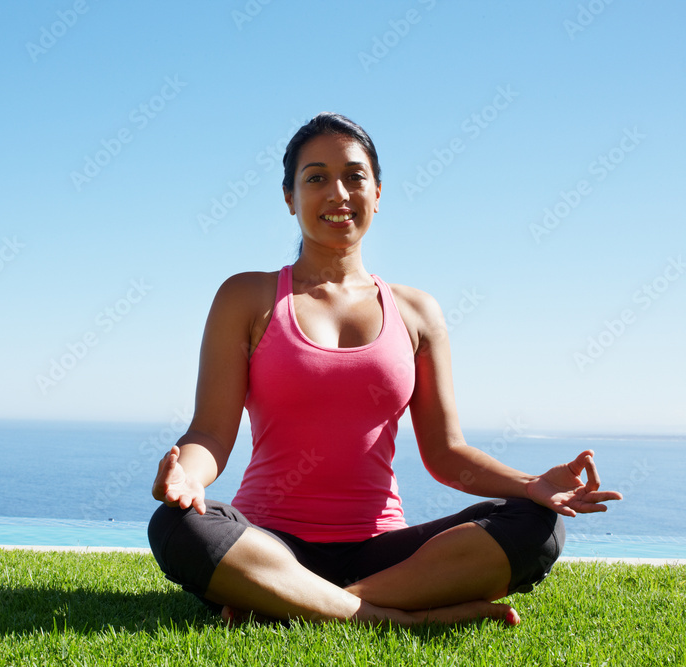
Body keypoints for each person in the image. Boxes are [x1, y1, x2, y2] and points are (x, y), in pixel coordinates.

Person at [147, 112, 622, 627]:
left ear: (377, 193)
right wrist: (187, 478)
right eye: (316, 178)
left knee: (538, 525)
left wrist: (531, 484)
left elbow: (447, 453)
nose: (338, 193)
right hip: (266, 543)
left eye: (354, 176)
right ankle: (392, 615)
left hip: (383, 553)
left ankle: (291, 601)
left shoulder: (417, 312)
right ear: (289, 197)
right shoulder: (246, 296)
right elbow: (211, 433)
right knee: (177, 526)